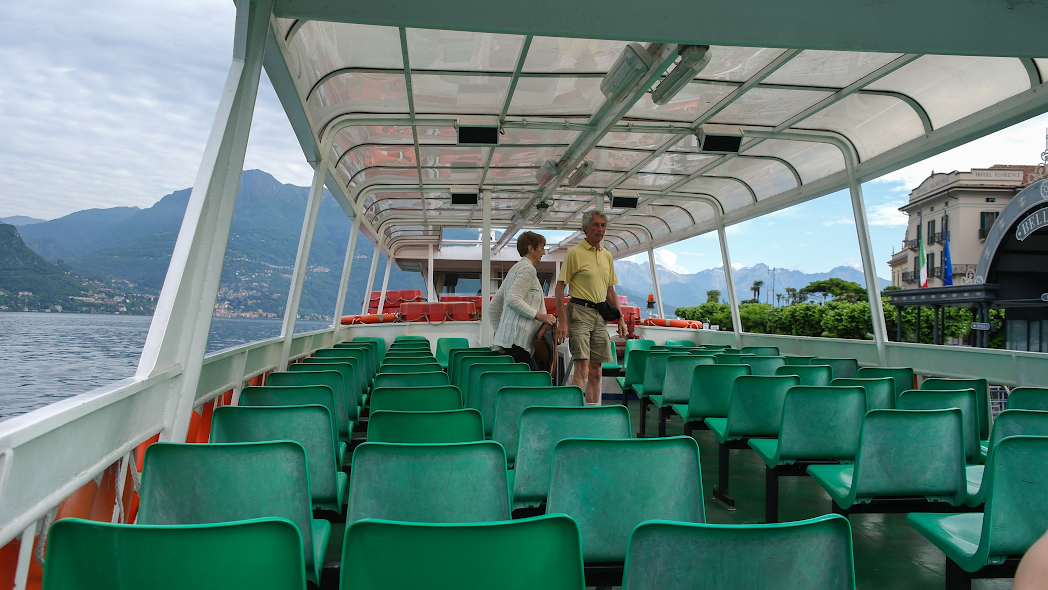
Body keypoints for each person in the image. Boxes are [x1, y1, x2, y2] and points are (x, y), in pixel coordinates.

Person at [555, 210, 626, 406]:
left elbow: (610, 290)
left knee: (596, 371)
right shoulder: (574, 253)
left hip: (600, 315)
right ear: (585, 228)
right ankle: (573, 415)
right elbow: (559, 288)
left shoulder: (607, 256)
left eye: (603, 225)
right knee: (582, 369)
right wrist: (562, 320)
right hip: (579, 312)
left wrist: (620, 318)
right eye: (595, 225)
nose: (600, 229)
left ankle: (592, 413)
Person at [489, 231, 557, 370]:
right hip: (519, 344)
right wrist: (541, 316)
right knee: (537, 386)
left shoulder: (514, 269)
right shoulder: (528, 270)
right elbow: (513, 299)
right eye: (542, 248)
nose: (543, 253)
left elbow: (493, 307)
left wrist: (502, 337)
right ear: (531, 248)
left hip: (508, 344)